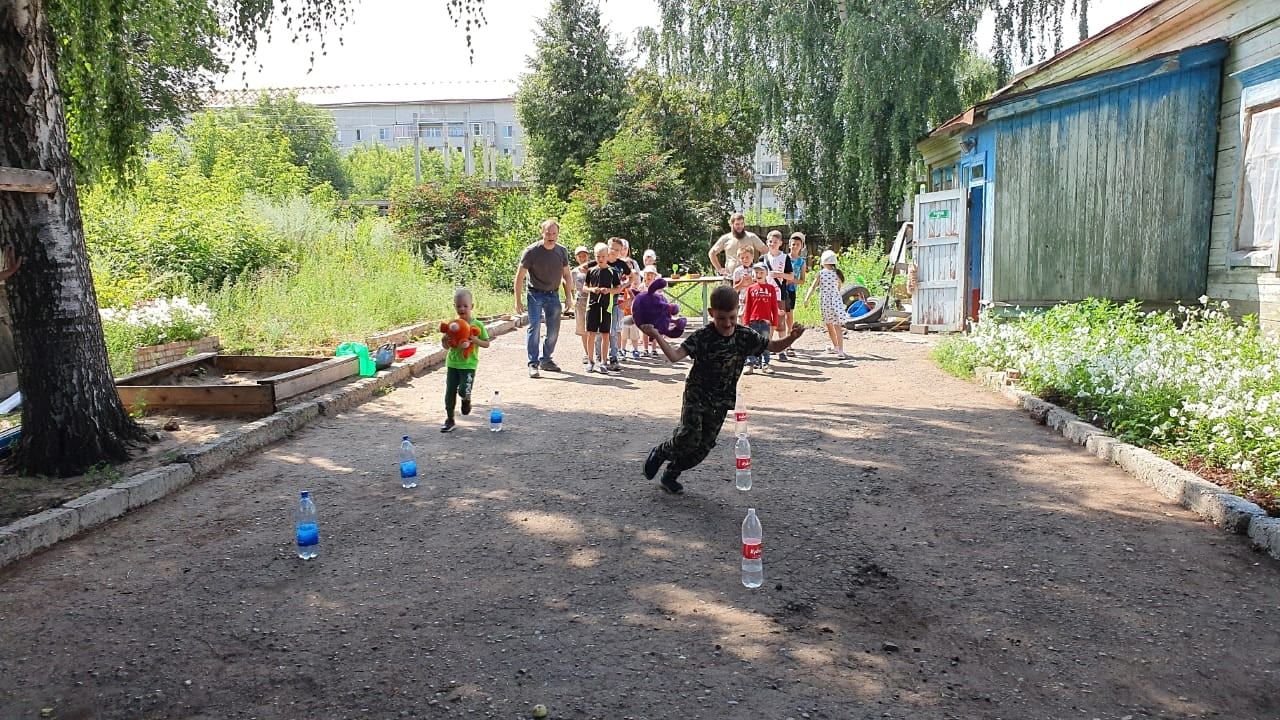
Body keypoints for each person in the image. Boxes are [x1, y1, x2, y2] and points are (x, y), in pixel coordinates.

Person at [639, 285, 805, 495]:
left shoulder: (745, 336)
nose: (727, 324)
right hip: (697, 395)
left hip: (721, 401)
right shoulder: (702, 336)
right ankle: (661, 452)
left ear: (738, 311)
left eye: (732, 317)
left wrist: (792, 338)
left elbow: (772, 346)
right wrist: (655, 333)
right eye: (721, 318)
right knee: (688, 436)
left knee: (703, 448)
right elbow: (674, 356)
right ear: (711, 314)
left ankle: (671, 474)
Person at [514, 219, 574, 378]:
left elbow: (567, 275)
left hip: (553, 294)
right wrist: (517, 300)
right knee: (534, 327)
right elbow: (519, 276)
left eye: (554, 233)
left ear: (558, 234)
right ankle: (533, 363)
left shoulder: (562, 251)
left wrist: (569, 297)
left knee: (553, 330)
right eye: (548, 233)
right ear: (542, 233)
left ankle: (546, 359)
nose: (551, 236)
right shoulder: (531, 251)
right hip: (535, 293)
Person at [440, 288, 492, 433]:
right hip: (452, 364)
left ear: (472, 307)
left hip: (468, 364)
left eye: (465, 306)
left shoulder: (477, 325)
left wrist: (475, 340)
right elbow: (445, 346)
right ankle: (449, 419)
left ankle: (466, 399)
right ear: (454, 306)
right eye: (458, 306)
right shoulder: (452, 325)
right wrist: (444, 339)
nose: (462, 309)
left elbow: (487, 343)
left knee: (463, 389)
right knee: (449, 392)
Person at [803, 249, 849, 360]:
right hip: (836, 301)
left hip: (825, 302)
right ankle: (840, 351)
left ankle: (835, 346)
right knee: (837, 326)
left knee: (829, 325)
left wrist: (807, 298)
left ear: (823, 261)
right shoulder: (837, 273)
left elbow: (813, 287)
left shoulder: (821, 273)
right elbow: (839, 287)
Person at [584, 243, 622, 374]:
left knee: (606, 334)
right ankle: (590, 360)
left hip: (607, 307)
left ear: (608, 256)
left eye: (603, 256)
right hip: (592, 305)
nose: (600, 259)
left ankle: (604, 362)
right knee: (591, 333)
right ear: (595, 256)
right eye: (598, 256)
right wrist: (592, 289)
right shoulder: (591, 271)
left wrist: (609, 290)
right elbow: (584, 287)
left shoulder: (613, 272)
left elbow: (618, 288)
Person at [742, 262, 780, 374]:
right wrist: (746, 322)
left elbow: (774, 306)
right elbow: (747, 306)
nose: (759, 274)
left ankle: (765, 364)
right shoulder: (750, 289)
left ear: (766, 273)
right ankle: (750, 364)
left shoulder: (771, 288)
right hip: (753, 321)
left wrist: (774, 322)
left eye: (761, 272)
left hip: (765, 322)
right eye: (756, 272)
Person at [761, 231, 793, 353]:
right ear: (767, 242)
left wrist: (779, 274)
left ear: (780, 243)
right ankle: (767, 349)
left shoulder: (785, 258)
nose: (772, 244)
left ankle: (782, 349)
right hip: (765, 295)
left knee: (780, 322)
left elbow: (791, 276)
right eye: (770, 242)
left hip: (780, 294)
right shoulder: (763, 258)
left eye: (775, 242)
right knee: (766, 322)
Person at [708, 212, 767, 277]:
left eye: (742, 224)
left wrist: (759, 266)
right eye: (737, 224)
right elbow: (712, 253)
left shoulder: (751, 237)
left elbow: (765, 251)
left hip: (749, 277)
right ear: (731, 224)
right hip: (730, 276)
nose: (740, 226)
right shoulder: (725, 238)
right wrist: (719, 269)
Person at [782, 232, 807, 357]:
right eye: (793, 244)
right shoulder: (783, 257)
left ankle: (788, 343)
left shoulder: (801, 262)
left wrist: (792, 281)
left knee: (789, 317)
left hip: (791, 290)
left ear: (801, 247)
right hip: (779, 289)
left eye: (798, 244)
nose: (795, 246)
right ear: (789, 245)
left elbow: (802, 280)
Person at [570, 245, 592, 365]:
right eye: (580, 256)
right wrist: (572, 299)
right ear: (576, 258)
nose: (583, 258)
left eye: (584, 255)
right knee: (583, 329)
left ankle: (596, 352)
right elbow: (569, 286)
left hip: (593, 300)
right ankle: (587, 353)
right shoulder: (574, 272)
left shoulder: (594, 268)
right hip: (581, 301)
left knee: (594, 328)